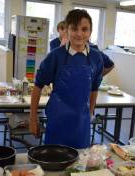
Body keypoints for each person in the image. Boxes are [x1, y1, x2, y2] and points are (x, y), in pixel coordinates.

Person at [30, 9, 104, 149]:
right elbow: (38, 86)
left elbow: (94, 88)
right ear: (67, 30)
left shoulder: (96, 57)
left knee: (79, 163)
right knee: (54, 161)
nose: (79, 34)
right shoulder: (55, 56)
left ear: (90, 32)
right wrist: (33, 119)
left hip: (81, 124)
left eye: (84, 29)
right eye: (74, 28)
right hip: (57, 121)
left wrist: (89, 114)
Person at [49, 23, 114, 76]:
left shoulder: (93, 48)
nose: (79, 34)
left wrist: (97, 78)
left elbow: (110, 64)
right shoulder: (56, 45)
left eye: (84, 30)